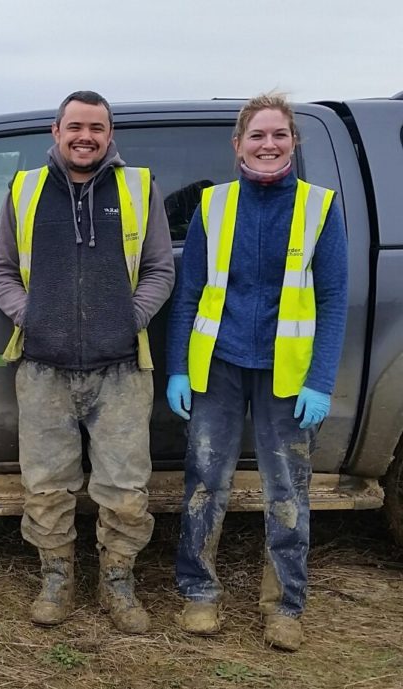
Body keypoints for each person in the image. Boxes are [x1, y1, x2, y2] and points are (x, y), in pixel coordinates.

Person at [166, 93, 348, 651]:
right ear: (238, 144)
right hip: (217, 369)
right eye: (257, 136)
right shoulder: (213, 206)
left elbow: (335, 295)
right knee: (205, 482)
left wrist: (320, 380)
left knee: (287, 489)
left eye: (279, 135)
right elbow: (190, 292)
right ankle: (198, 592)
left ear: (294, 141)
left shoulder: (320, 207)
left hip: (285, 376)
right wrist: (177, 367)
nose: (268, 145)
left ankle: (285, 606)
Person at [0, 91, 174, 633]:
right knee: (46, 483)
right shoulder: (24, 190)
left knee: (125, 486)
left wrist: (127, 319)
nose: (85, 136)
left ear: (109, 133)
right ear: (56, 131)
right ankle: (56, 577)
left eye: (96, 127)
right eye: (75, 126)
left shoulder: (139, 189)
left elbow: (161, 269)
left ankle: (118, 580)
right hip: (43, 368)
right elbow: (1, 270)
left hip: (120, 369)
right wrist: (35, 316)